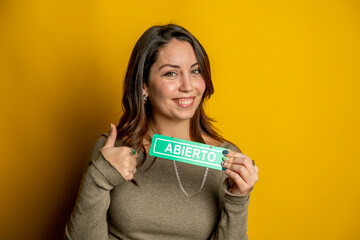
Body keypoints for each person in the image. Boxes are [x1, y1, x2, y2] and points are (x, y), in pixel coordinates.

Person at [64, 24, 259, 240]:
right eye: (171, 73)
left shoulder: (226, 159)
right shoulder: (112, 152)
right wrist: (100, 177)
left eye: (195, 71)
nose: (187, 85)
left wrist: (238, 197)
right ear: (144, 85)